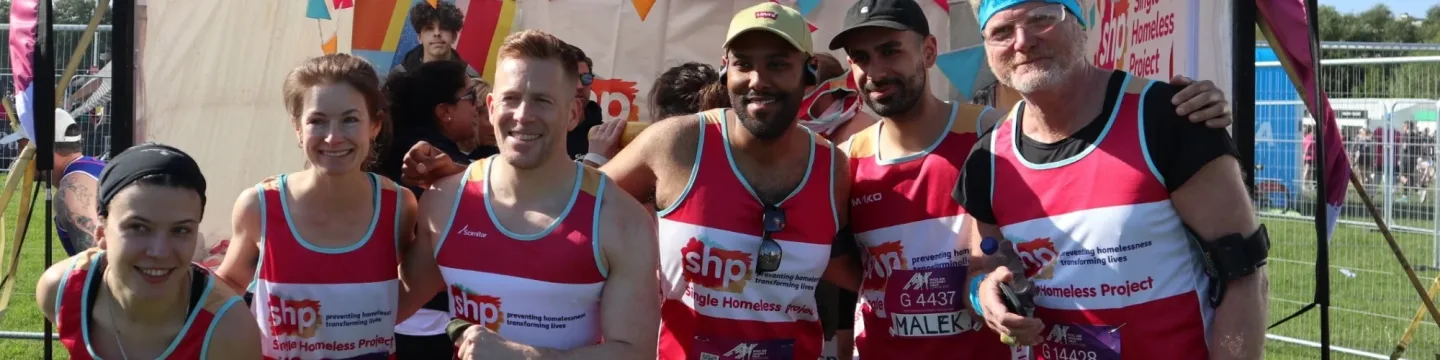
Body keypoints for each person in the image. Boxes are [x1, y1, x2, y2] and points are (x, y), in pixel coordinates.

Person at [829, 1, 1238, 359]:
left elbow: (1243, 267)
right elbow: (849, 271)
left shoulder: (991, 136)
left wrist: (1190, 107)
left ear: (930, 51)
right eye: (861, 57)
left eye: (891, 51)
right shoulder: (844, 163)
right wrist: (982, 294)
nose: (876, 70)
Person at [958, 1, 1266, 359]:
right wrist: (983, 296)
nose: (1022, 41)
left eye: (1041, 19)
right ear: (987, 48)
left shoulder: (1170, 117)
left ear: (1080, 23)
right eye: (1001, 32)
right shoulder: (989, 158)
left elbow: (1245, 274)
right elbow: (982, 270)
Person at [395, 29, 660, 359]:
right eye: (511, 98)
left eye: (542, 100)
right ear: (491, 107)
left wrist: (523, 356)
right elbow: (385, 309)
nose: (522, 115)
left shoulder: (619, 219)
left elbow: (636, 352)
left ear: (573, 114)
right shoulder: (445, 200)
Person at [216, 53, 418, 359]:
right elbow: (227, 288)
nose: (333, 137)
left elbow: (418, 283)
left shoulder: (399, 206)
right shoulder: (259, 206)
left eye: (350, 119)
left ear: (374, 125)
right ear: (298, 128)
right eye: (317, 121)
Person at [37, 143, 261, 359]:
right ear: (101, 233)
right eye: (138, 227)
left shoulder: (229, 330)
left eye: (181, 230)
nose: (159, 251)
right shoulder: (61, 291)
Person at [378, 59, 492, 360]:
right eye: (470, 97)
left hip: (388, 313)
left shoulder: (390, 149)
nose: (477, 107)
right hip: (431, 319)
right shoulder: (428, 162)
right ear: (444, 112)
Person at [52, 108, 107, 256]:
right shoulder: (91, 166)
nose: (19, 156)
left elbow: (99, 258)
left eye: (22, 147)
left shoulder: (71, 191)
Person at [391, 1, 480, 78]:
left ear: (454, 36)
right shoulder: (399, 76)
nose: (437, 33)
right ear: (420, 37)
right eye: (429, 28)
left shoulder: (470, 78)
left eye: (444, 28)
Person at [563, 43, 607, 161]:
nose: (580, 86)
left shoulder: (605, 136)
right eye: (571, 78)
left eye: (586, 78)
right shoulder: (539, 133)